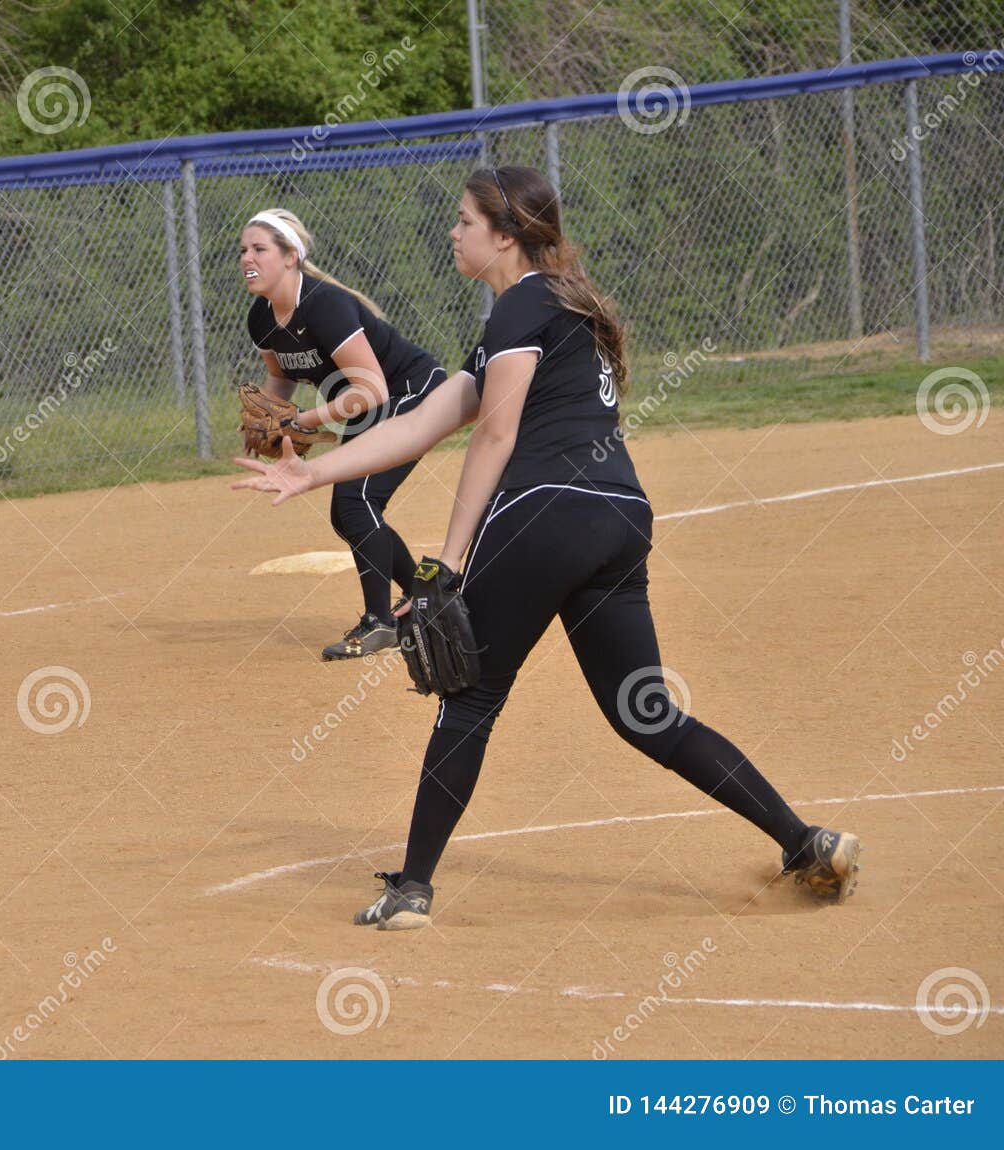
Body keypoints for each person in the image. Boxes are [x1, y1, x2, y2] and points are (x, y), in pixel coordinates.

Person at [233, 168, 860, 929]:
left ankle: (413, 891)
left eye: (465, 222)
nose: (454, 233)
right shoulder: (549, 308)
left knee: (470, 698)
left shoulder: (522, 303)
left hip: (544, 514)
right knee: (648, 714)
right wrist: (311, 471)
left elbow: (496, 434)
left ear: (505, 235)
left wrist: (448, 559)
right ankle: (803, 841)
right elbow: (422, 423)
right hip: (619, 519)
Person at [240, 208, 446, 660]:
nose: (246, 258)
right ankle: (429, 601)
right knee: (347, 513)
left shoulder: (324, 305)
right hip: (367, 407)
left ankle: (380, 623)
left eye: (259, 249)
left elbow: (371, 388)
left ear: (291, 256)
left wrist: (301, 422)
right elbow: (280, 380)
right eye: (243, 249)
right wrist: (272, 422)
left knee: (357, 501)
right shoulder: (262, 317)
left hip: (411, 393)